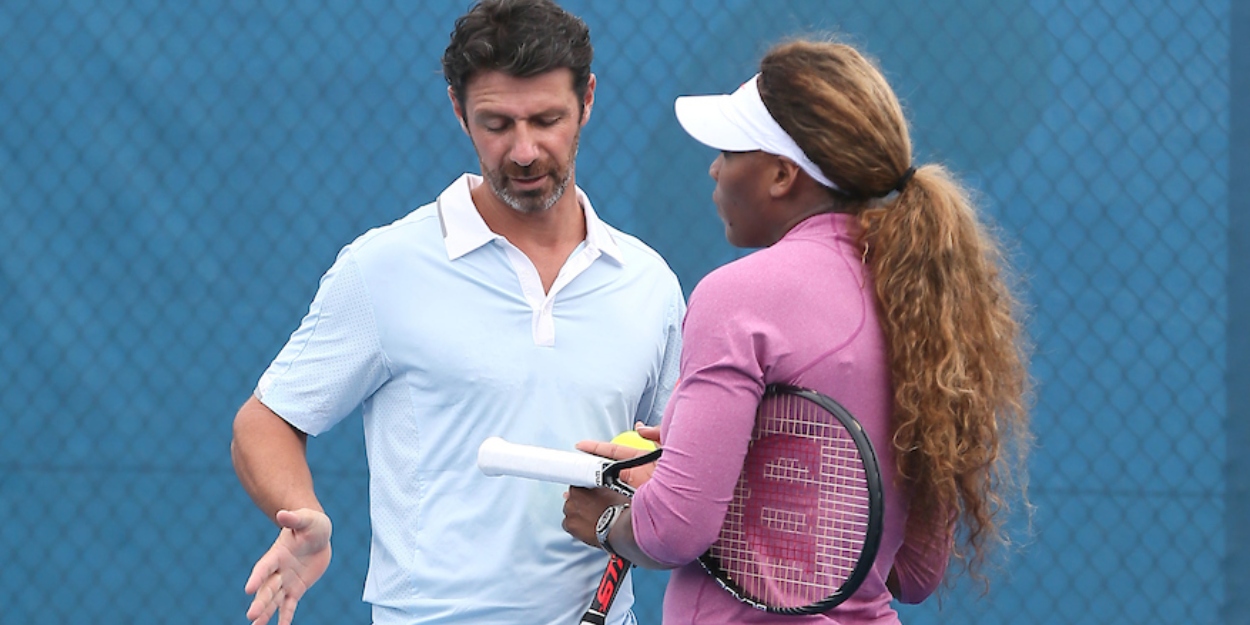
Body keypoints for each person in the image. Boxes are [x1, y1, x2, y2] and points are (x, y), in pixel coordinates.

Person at [230, 1, 685, 623]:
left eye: (546, 119)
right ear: (457, 110)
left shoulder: (649, 284)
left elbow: (672, 464)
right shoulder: (382, 267)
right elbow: (266, 420)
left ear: (588, 101)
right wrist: (301, 510)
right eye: (496, 123)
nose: (523, 151)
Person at [562, 38, 1031, 623]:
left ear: (782, 174)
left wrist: (607, 521)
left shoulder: (737, 296)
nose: (714, 167)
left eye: (731, 150)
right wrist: (709, 461)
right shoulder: (925, 300)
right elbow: (912, 572)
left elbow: (674, 529)